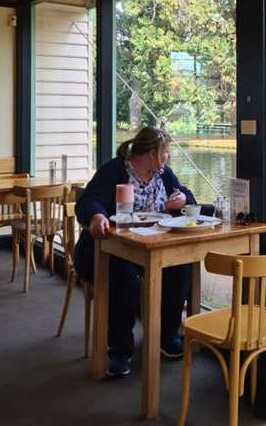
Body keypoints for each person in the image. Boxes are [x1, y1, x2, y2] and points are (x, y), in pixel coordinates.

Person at [74, 127, 195, 377]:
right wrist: (97, 216)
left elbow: (187, 196)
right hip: (105, 250)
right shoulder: (115, 170)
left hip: (149, 247)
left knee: (181, 267)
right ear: (152, 153)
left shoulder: (163, 174)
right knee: (125, 279)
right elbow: (87, 201)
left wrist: (182, 199)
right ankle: (119, 349)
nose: (168, 157)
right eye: (165, 152)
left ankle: (167, 336)